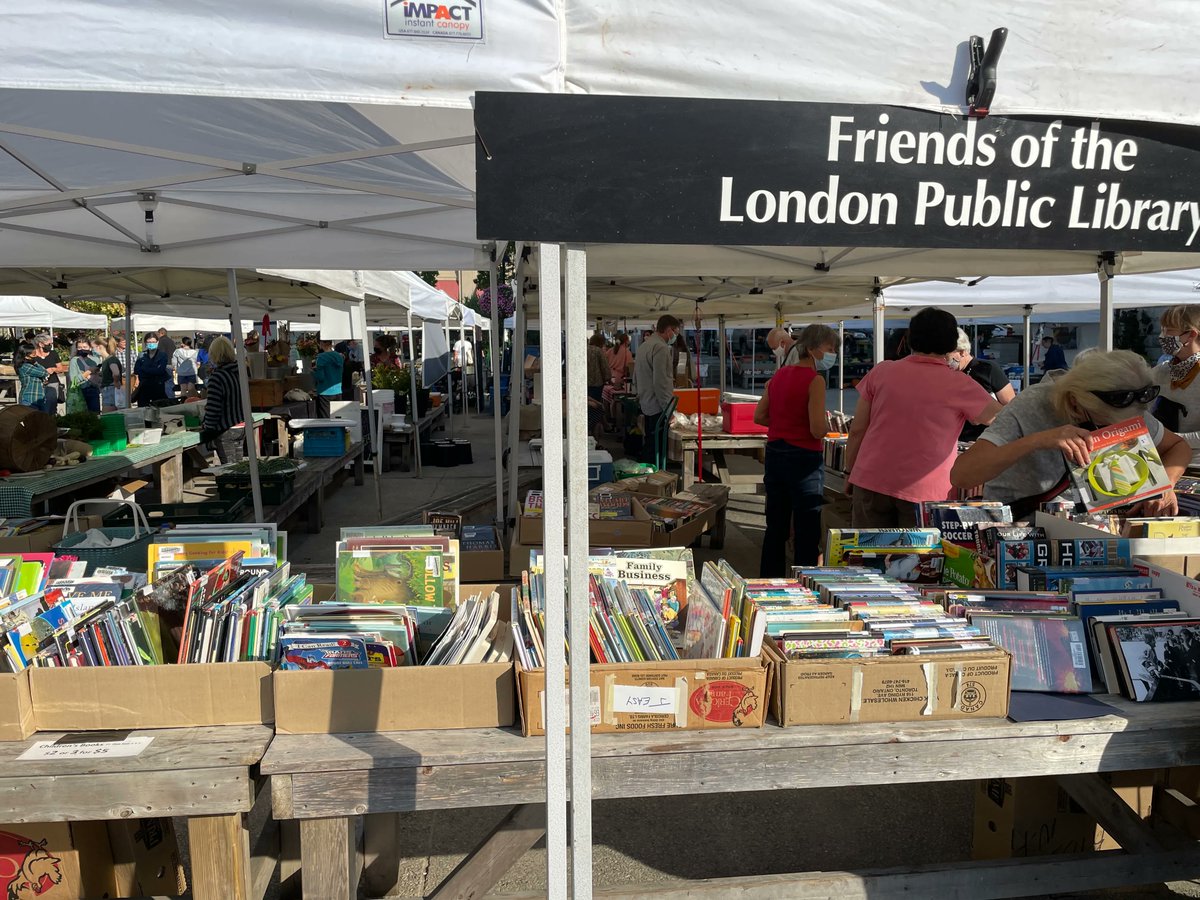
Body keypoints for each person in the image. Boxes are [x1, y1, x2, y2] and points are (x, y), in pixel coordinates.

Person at [951, 350, 1190, 518]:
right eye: (1105, 422)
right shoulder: (1033, 403)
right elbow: (962, 476)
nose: (1111, 430)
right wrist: (1037, 441)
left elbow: (1178, 447)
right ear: (1076, 403)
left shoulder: (1128, 402)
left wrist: (1164, 484)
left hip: (1097, 528)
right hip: (1021, 527)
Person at [845, 308, 1002, 527]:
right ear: (950, 344)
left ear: (910, 338)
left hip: (871, 479)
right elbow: (1003, 420)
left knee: (866, 555)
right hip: (925, 490)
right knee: (918, 560)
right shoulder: (960, 384)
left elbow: (857, 430)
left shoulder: (882, 372)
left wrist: (849, 470)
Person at [754, 324, 838, 575]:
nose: (832, 353)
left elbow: (760, 416)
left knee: (776, 526)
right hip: (803, 459)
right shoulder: (815, 380)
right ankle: (804, 585)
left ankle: (768, 580)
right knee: (806, 528)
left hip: (775, 454)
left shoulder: (779, 375)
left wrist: (785, 423)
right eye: (829, 348)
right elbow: (816, 429)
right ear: (811, 349)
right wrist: (824, 426)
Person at [1151, 306, 1200, 466]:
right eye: (1162, 330)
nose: (1162, 336)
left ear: (1191, 335)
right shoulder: (1161, 370)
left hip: (1195, 467)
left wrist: (1168, 439)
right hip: (1160, 461)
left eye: (1169, 330)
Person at [950, 328, 1016, 441]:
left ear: (962, 352)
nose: (945, 360)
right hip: (957, 438)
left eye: (947, 355)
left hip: (987, 438)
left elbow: (1011, 405)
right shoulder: (948, 374)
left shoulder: (988, 368)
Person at [634, 314, 681, 464]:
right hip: (657, 407)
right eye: (676, 332)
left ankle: (647, 478)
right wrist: (669, 411)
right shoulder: (660, 347)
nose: (676, 336)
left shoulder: (644, 346)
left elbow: (635, 376)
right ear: (668, 330)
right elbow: (661, 382)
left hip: (646, 403)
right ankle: (653, 480)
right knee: (656, 450)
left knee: (649, 444)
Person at [200, 337, 247, 464]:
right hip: (241, 425)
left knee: (230, 469)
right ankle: (242, 484)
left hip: (226, 428)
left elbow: (214, 408)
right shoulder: (240, 373)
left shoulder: (217, 377)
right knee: (239, 465)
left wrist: (207, 427)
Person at [133, 332, 170, 407]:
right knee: (143, 408)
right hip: (144, 386)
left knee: (159, 408)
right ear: (145, 343)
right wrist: (153, 370)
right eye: (149, 342)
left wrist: (144, 369)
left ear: (157, 342)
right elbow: (136, 370)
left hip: (158, 386)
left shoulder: (162, 355)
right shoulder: (141, 355)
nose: (151, 344)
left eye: (153, 342)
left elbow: (161, 370)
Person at [32, 333, 65, 414]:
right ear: (40, 344)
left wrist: (53, 369)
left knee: (51, 406)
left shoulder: (53, 353)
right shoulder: (33, 355)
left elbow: (61, 368)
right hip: (38, 384)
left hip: (52, 383)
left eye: (51, 344)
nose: (50, 346)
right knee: (38, 406)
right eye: (49, 344)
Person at [66, 339, 101, 414]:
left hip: (94, 390)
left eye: (85, 347)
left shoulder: (96, 359)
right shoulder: (74, 361)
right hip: (80, 391)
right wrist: (88, 372)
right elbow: (74, 379)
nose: (82, 349)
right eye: (79, 347)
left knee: (95, 415)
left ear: (90, 348)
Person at [313, 339, 345, 419]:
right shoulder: (339, 356)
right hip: (338, 390)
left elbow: (320, 377)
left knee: (326, 419)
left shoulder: (321, 357)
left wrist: (313, 372)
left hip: (325, 391)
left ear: (321, 343)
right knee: (337, 417)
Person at [17, 342, 51, 413]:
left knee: (42, 421)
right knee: (32, 422)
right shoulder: (25, 366)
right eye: (33, 353)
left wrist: (35, 362)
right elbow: (44, 372)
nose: (35, 355)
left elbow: (44, 371)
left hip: (39, 398)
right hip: (29, 399)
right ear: (26, 356)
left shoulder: (33, 365)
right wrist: (35, 363)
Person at [99, 336, 126, 411]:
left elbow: (116, 372)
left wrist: (116, 381)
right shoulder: (109, 359)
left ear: (101, 347)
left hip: (110, 390)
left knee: (108, 415)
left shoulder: (111, 359)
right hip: (110, 389)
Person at [586, 333, 611, 402]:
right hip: (596, 383)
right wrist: (608, 379)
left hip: (584, 382)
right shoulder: (598, 351)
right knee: (595, 403)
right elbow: (604, 367)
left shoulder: (583, 349)